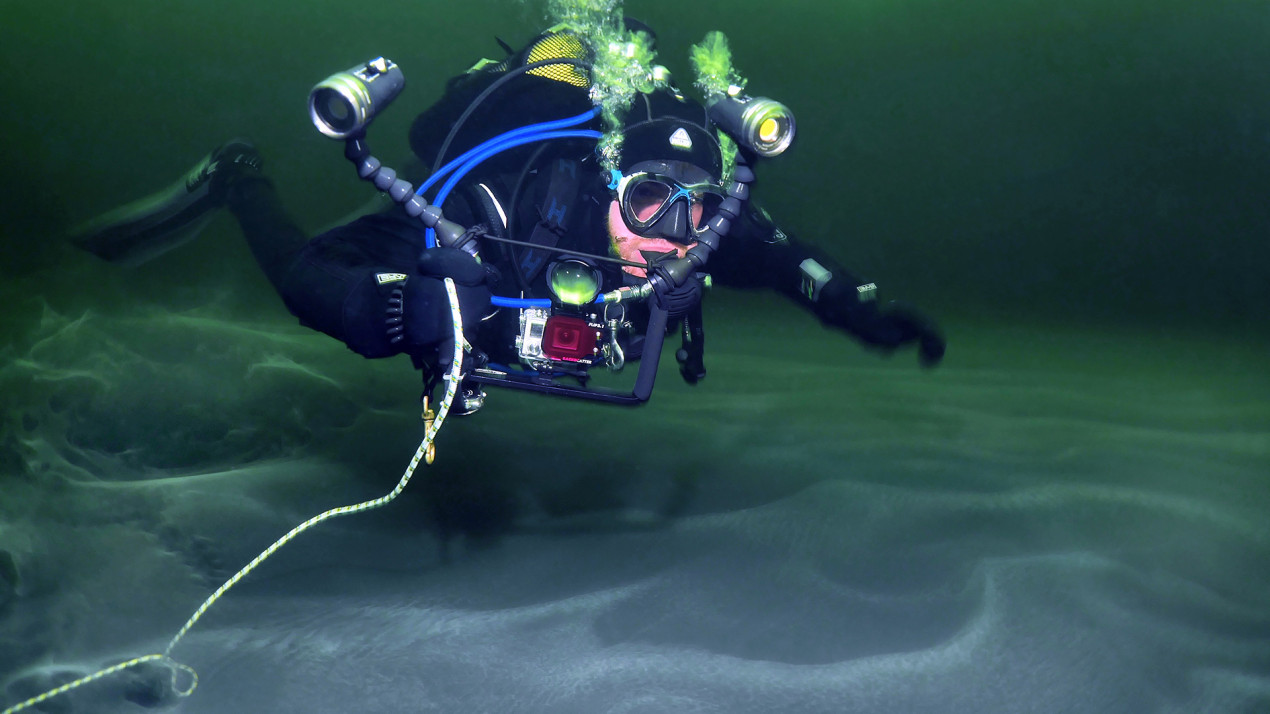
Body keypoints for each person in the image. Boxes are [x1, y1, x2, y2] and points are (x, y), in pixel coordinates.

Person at [72, 23, 945, 413]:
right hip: (465, 212)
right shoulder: (494, 200)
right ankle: (237, 176)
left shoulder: (701, 228)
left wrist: (858, 312)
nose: (670, 235)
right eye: (646, 201)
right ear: (607, 185)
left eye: (695, 210)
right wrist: (388, 312)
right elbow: (312, 273)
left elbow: (788, 260)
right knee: (351, 287)